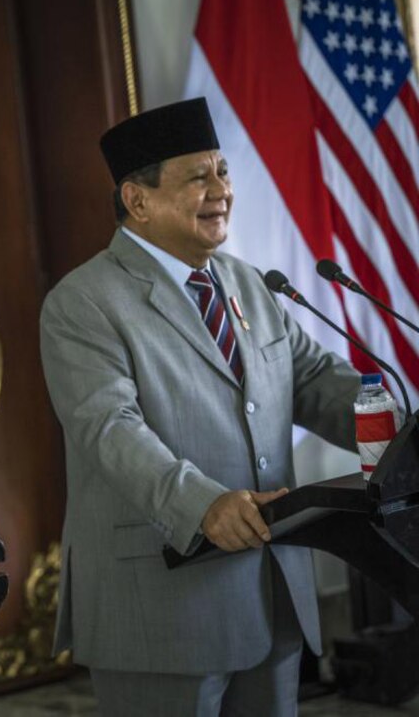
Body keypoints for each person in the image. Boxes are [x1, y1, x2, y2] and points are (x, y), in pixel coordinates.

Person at [39, 98, 360, 716]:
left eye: (224, 172)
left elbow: (314, 378)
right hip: (164, 595)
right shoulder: (83, 303)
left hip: (268, 587)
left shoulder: (245, 282)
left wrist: (401, 425)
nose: (223, 191)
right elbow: (110, 429)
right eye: (199, 177)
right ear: (138, 201)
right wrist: (202, 503)